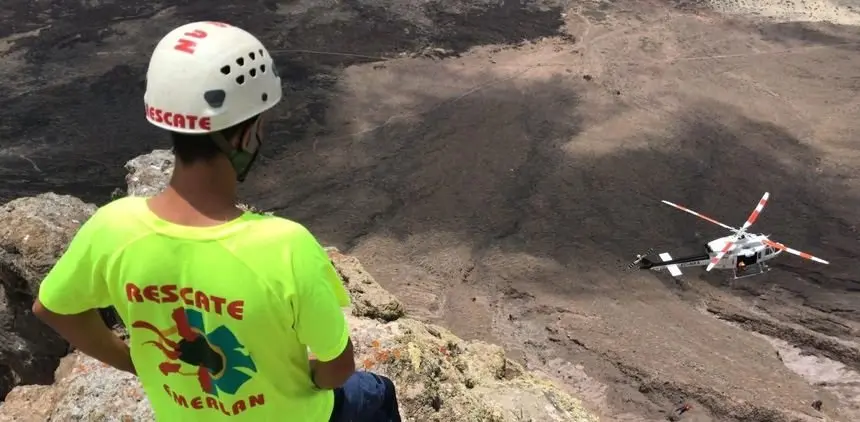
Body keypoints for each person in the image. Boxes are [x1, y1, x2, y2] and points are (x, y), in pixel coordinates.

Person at [32, 21, 400, 422]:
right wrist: (304, 377)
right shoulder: (286, 247)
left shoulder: (112, 228)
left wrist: (135, 362)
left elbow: (52, 309)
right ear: (245, 137)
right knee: (376, 392)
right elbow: (337, 370)